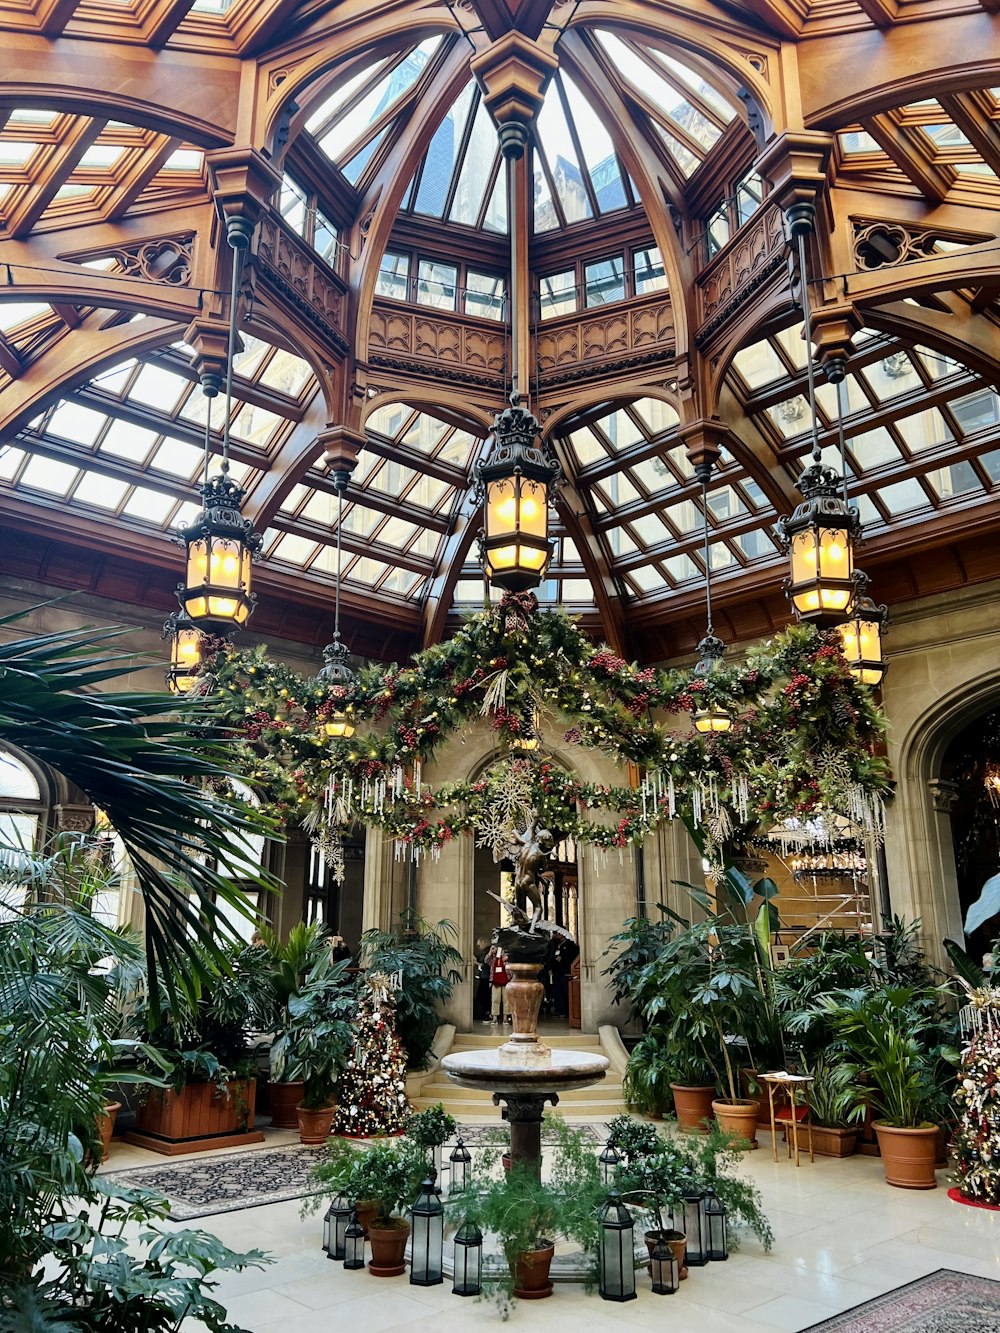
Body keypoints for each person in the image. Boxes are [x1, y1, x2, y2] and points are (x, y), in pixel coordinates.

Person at [488, 939, 510, 1025]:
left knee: (506, 999)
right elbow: (486, 961)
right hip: (495, 980)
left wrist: (507, 958)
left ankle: (505, 1017)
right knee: (495, 999)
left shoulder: (507, 952)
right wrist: (490, 951)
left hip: (506, 979)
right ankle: (494, 1017)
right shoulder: (493, 956)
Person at [474, 936, 491, 1023]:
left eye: (479, 945)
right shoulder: (484, 952)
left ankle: (488, 1013)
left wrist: (476, 962)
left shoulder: (487, 952)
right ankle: (487, 1012)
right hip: (484, 976)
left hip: (486, 977)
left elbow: (485, 964)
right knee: (483, 995)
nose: (478, 947)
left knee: (483, 995)